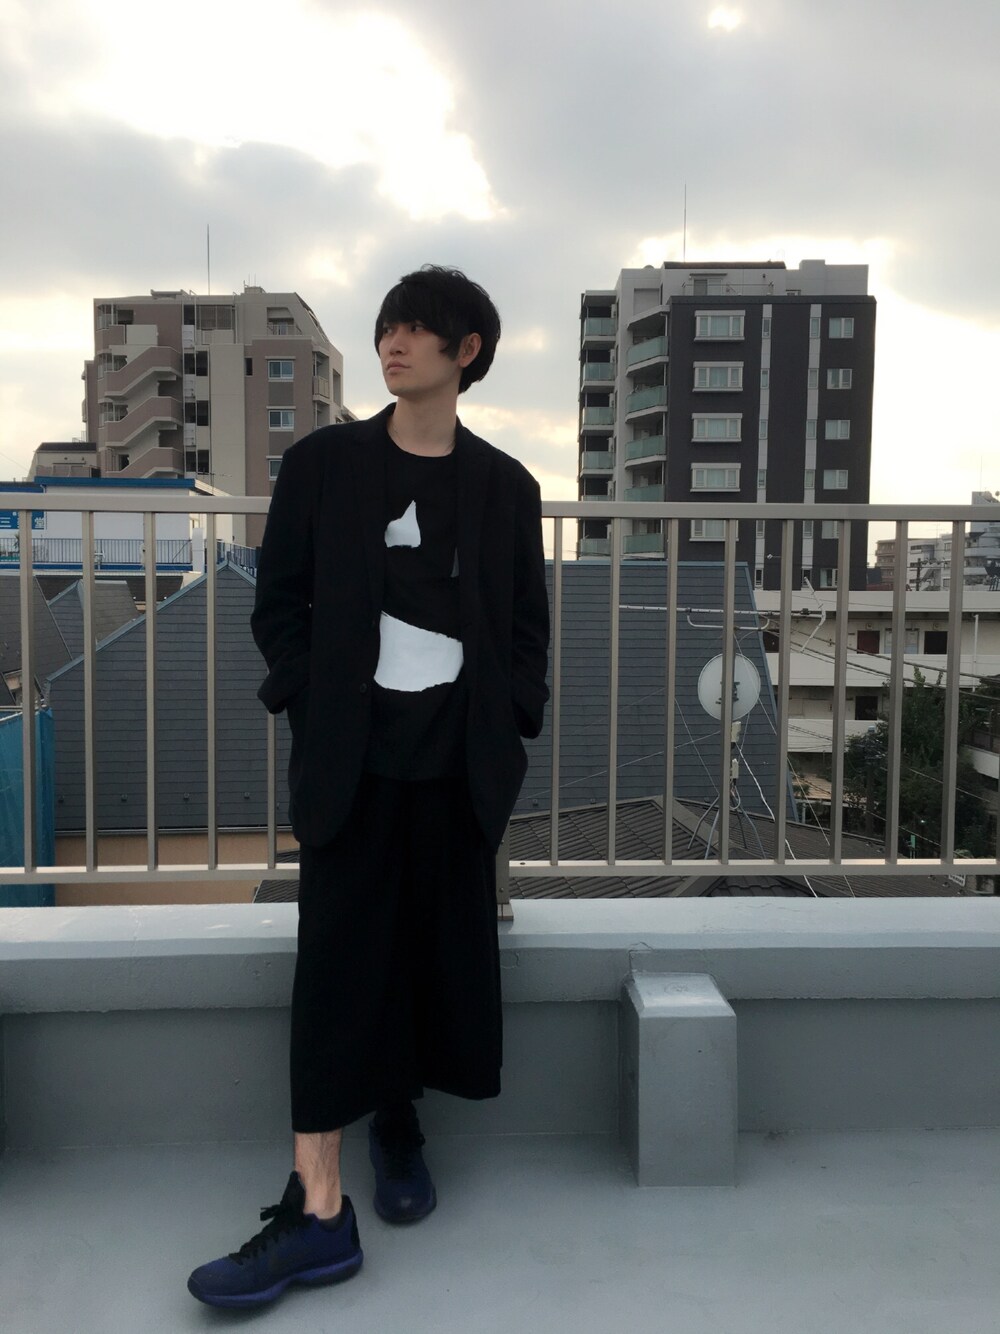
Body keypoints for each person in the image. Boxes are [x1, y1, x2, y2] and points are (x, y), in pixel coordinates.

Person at [187, 265, 550, 1309]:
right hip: (351, 759)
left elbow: (524, 628)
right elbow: (280, 602)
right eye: (388, 326)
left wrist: (508, 718)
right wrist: (309, 700)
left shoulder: (505, 488)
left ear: (465, 352)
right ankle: (318, 1208)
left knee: (432, 954)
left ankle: (400, 1127)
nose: (393, 343)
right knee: (338, 968)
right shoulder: (325, 465)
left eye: (417, 330)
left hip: (456, 766)